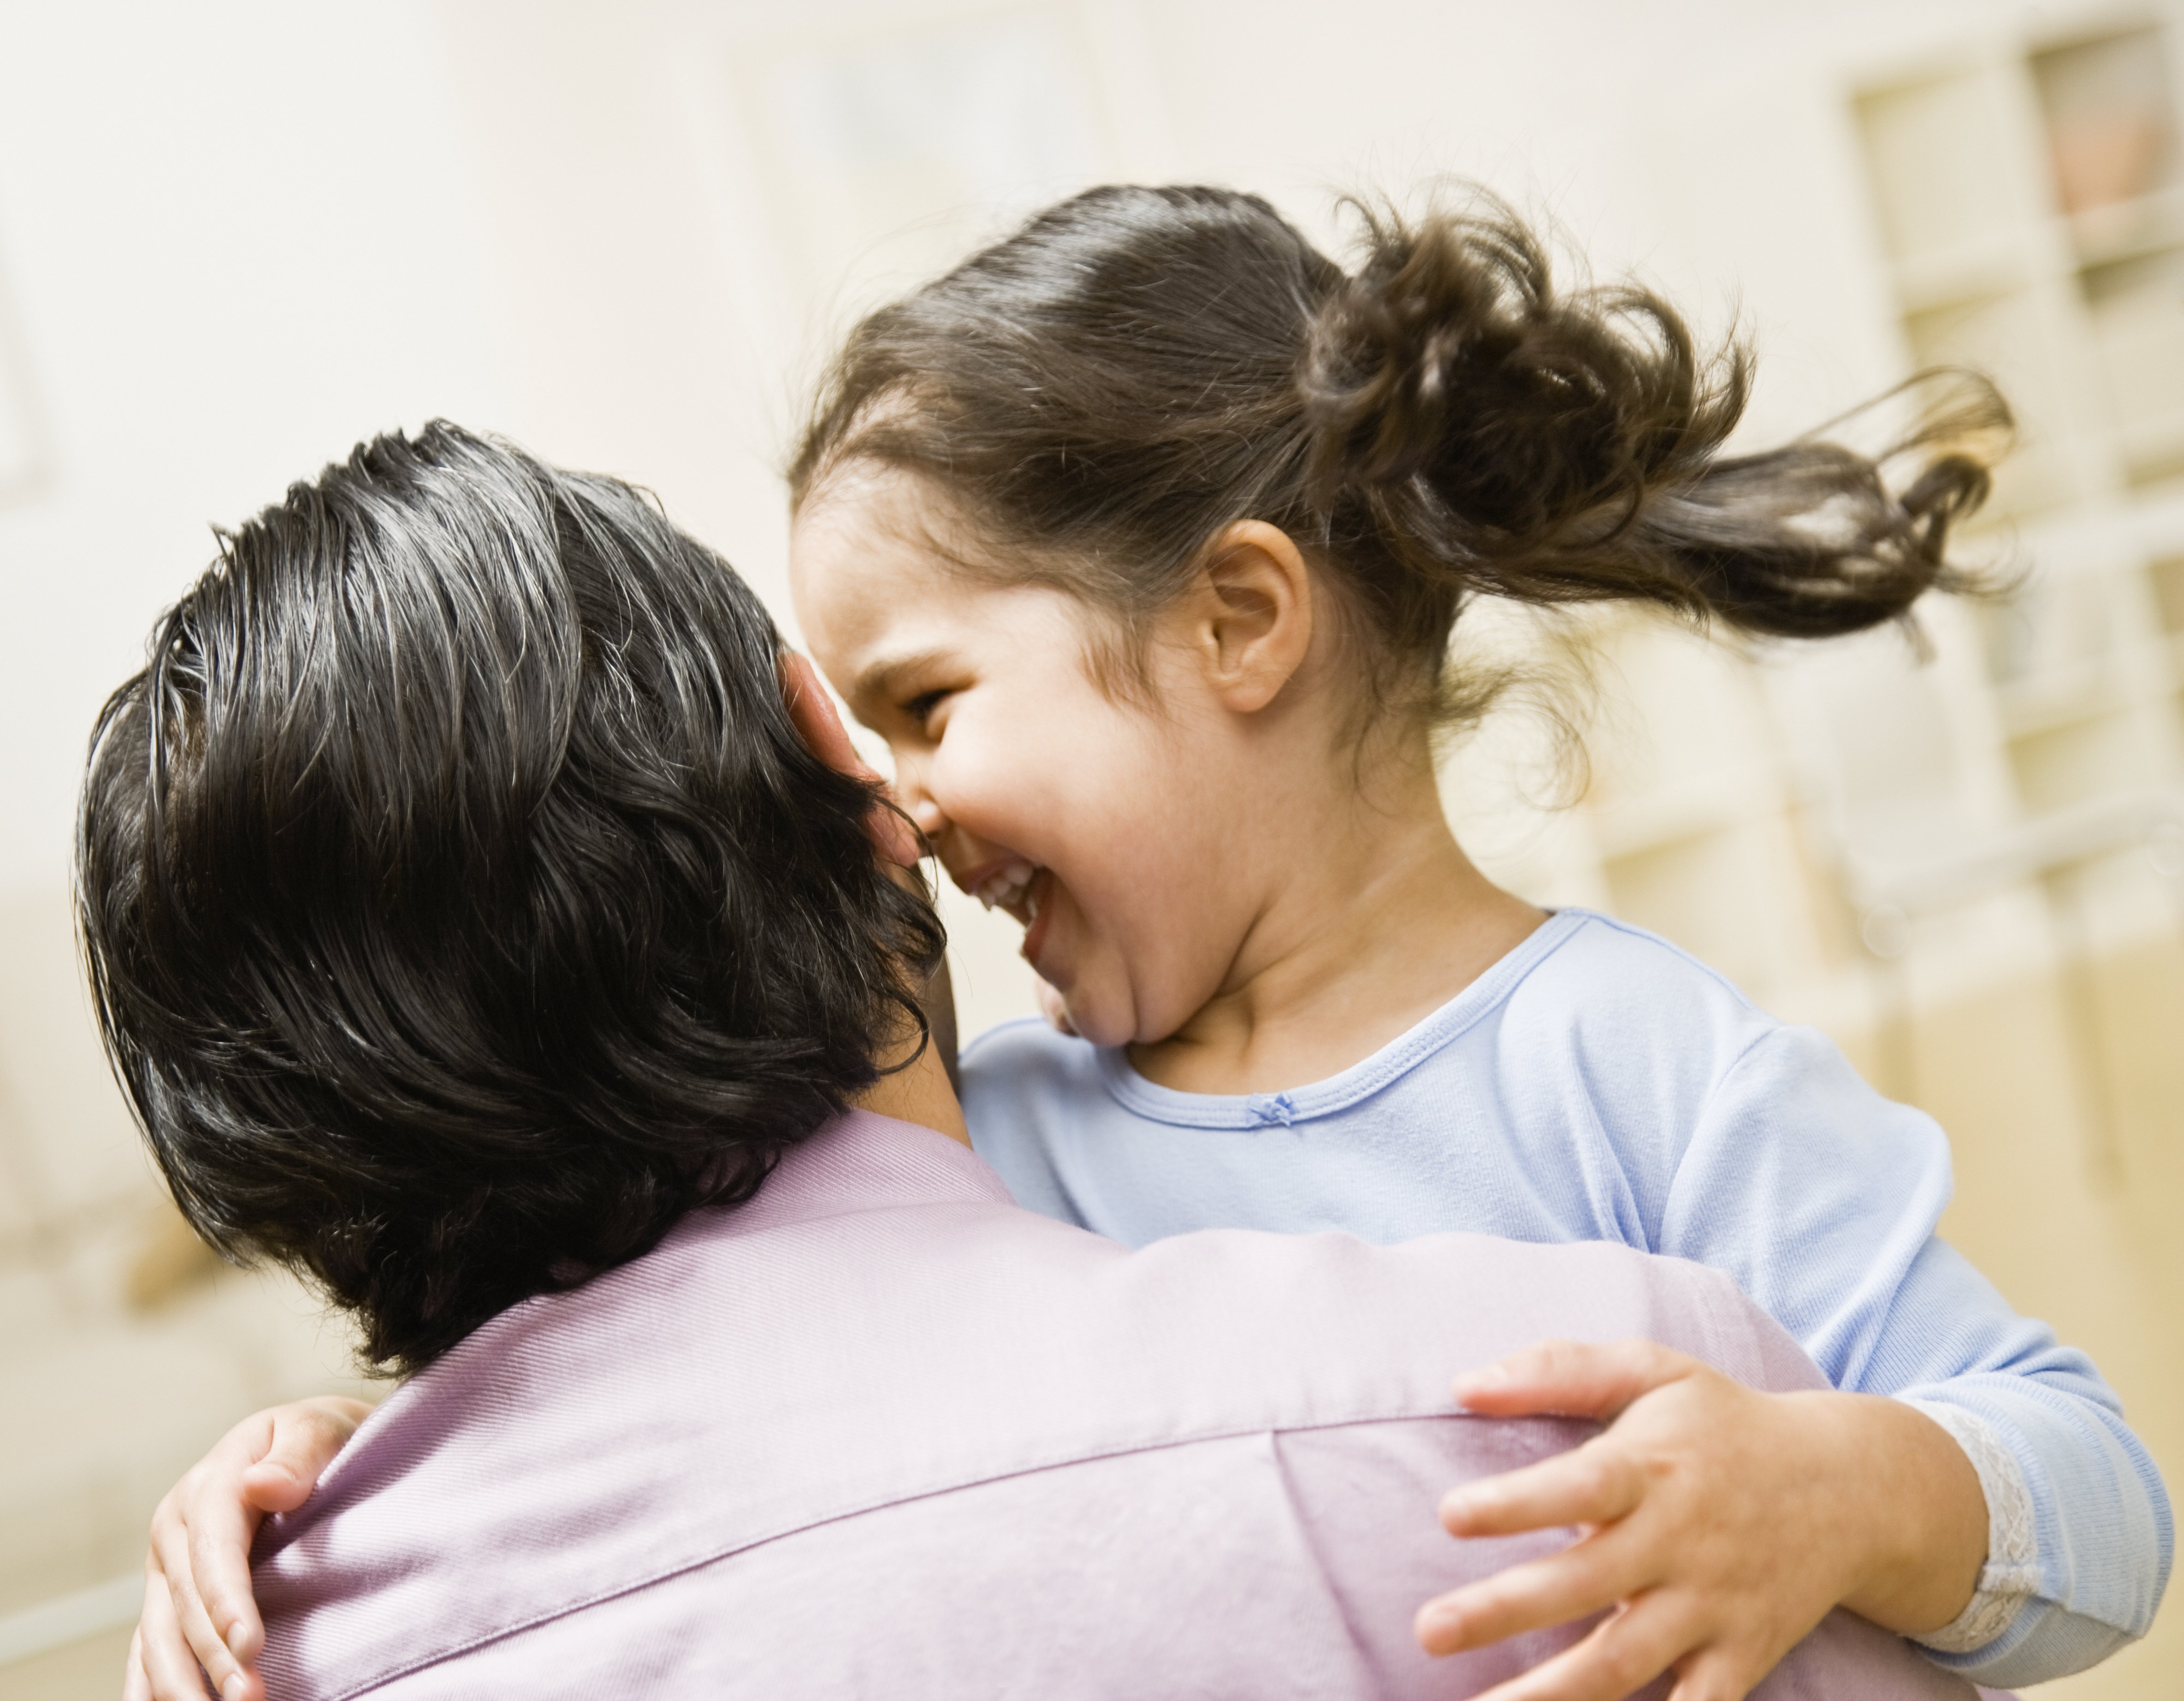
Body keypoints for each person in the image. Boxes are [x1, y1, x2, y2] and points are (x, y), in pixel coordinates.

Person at [131, 184, 2172, 1697]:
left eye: (925, 702)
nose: (899, 808)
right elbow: (694, 1371)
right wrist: (334, 1458)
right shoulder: (978, 1139)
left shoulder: (1640, 1060)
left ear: (1239, 621)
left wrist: (1840, 1489)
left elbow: (2098, 1483)